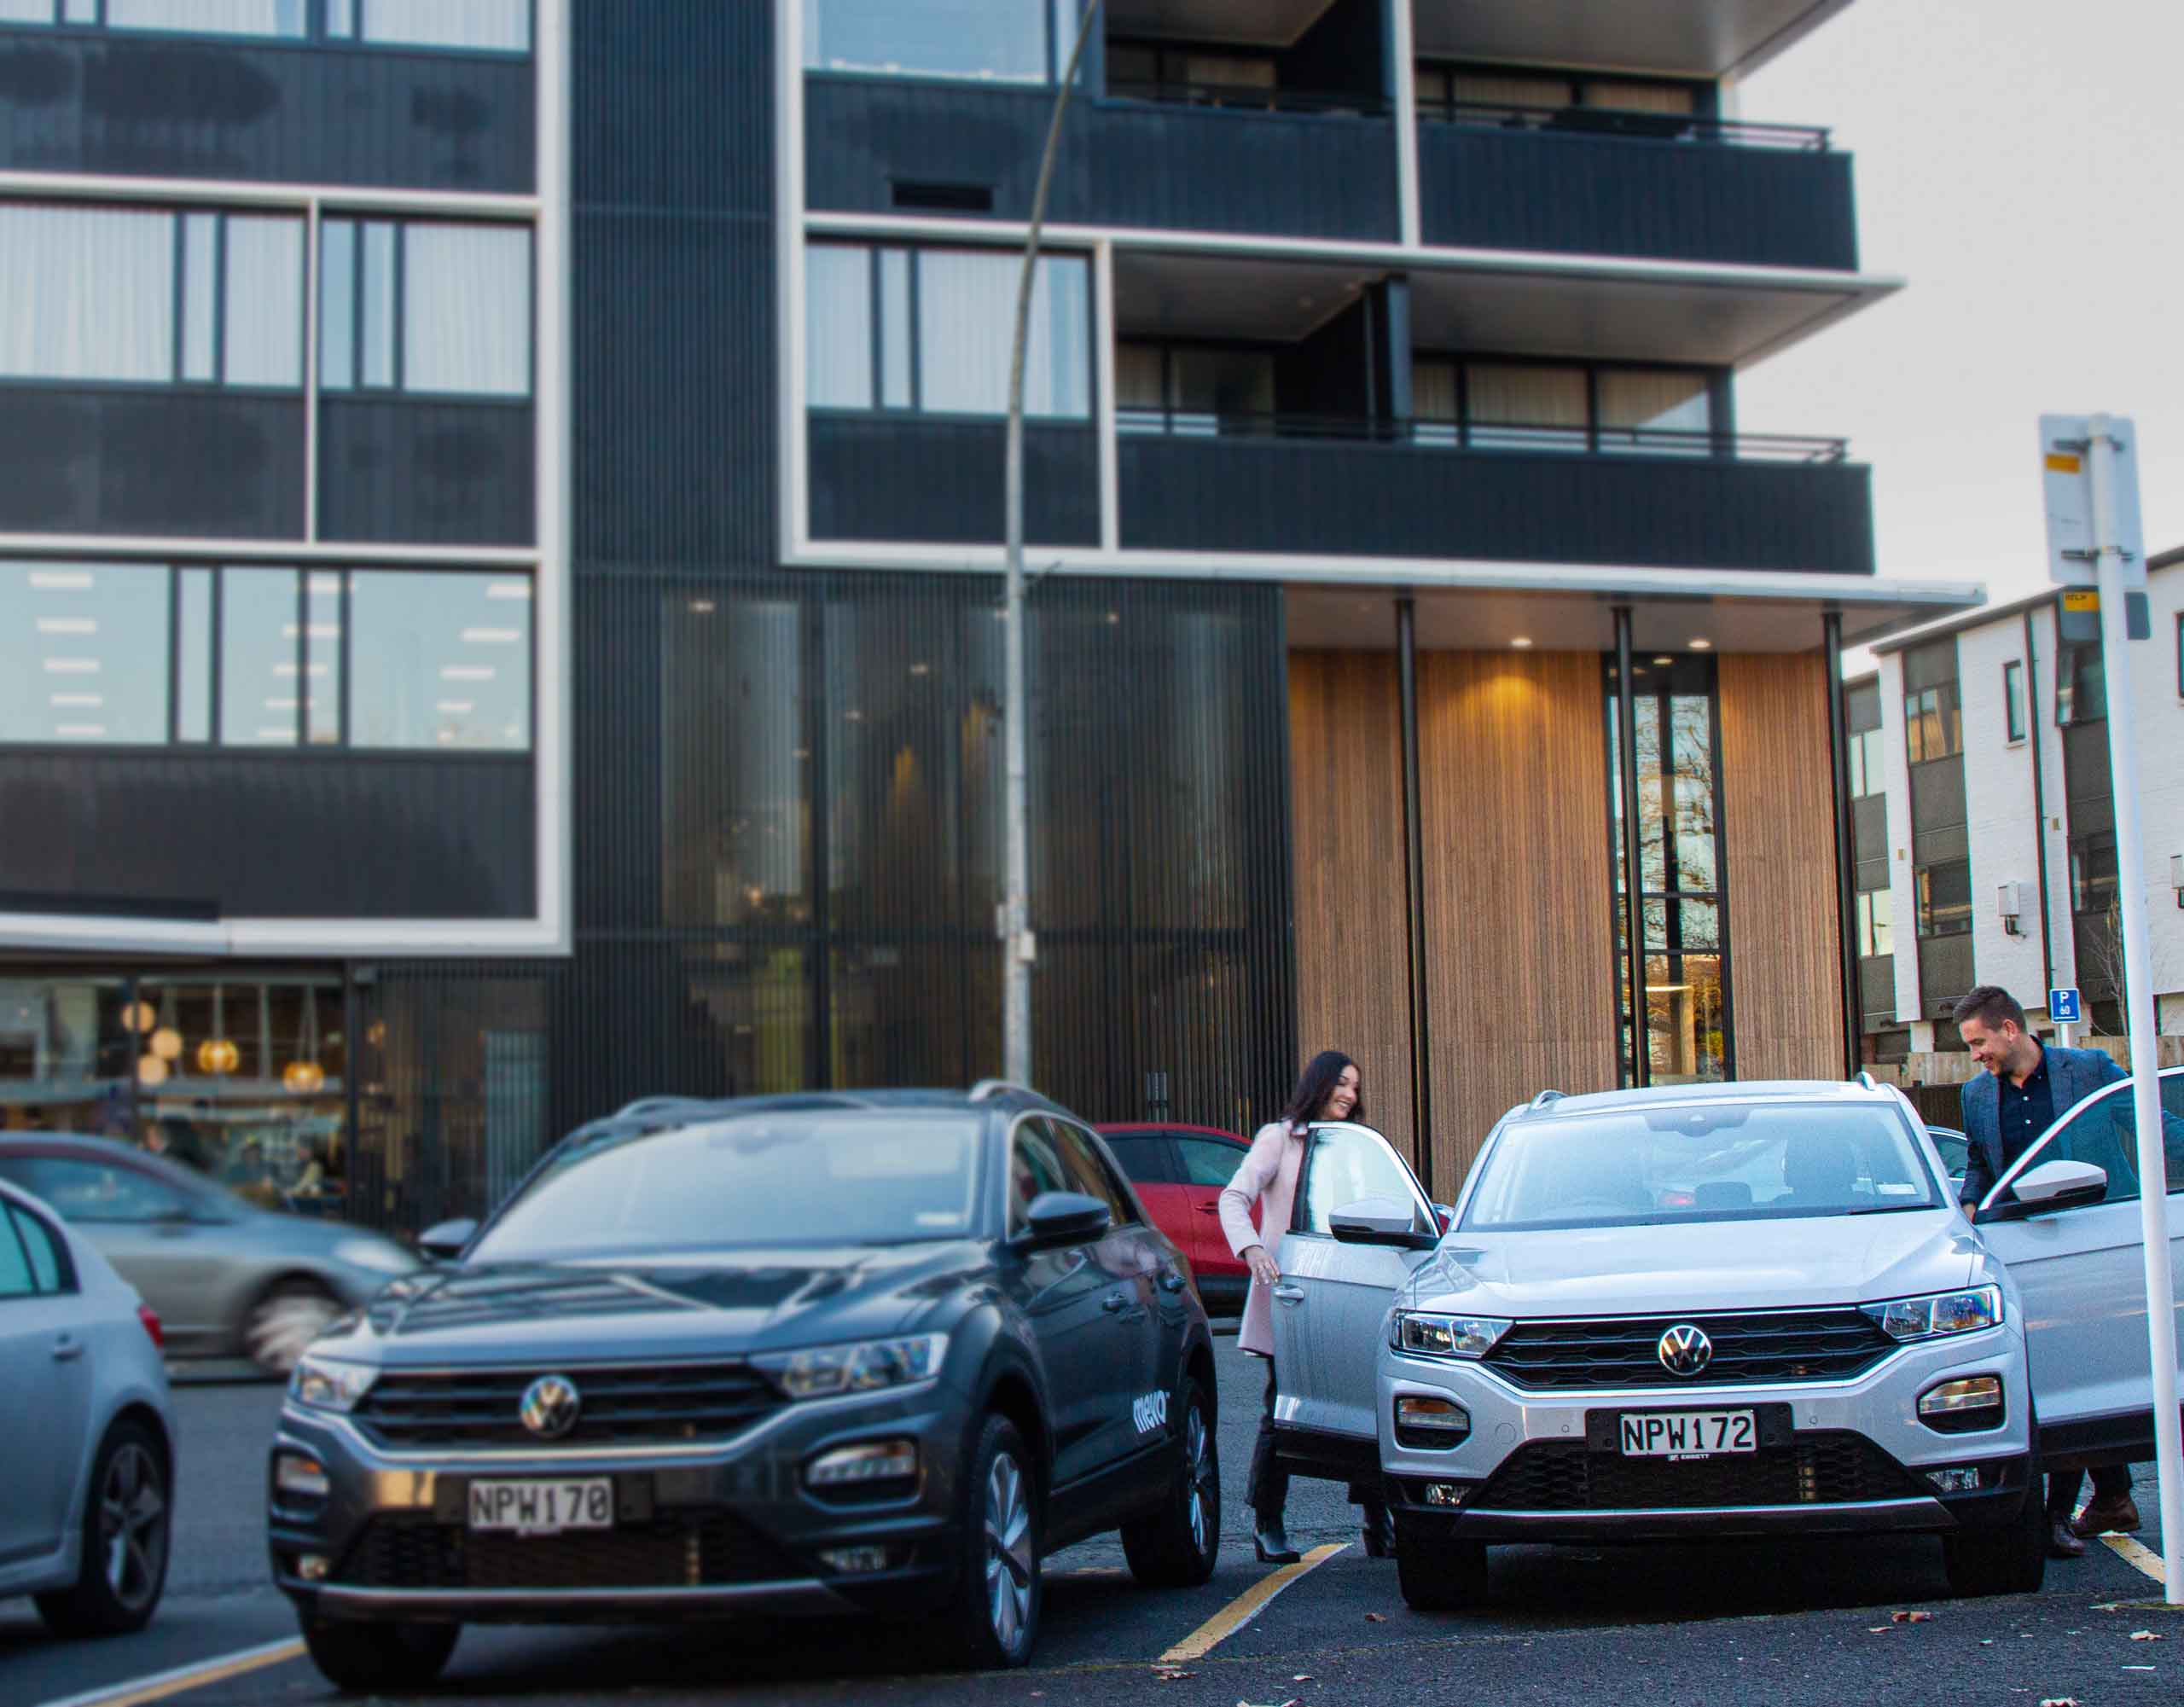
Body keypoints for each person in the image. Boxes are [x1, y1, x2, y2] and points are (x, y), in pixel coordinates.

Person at [1951, 984, 2134, 1559]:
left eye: (1978, 1042)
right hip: (2030, 1247)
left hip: (2102, 1242)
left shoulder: (2089, 1070)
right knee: (2057, 1370)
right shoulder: (1977, 1095)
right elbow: (1980, 1163)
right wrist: (1970, 1206)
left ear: (2010, 1029)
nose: (1975, 1055)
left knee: (2080, 1368)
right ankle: (2113, 1496)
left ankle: (2062, 1514)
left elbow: (2151, 1125)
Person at [1218, 1049, 1392, 1565]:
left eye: (1356, 1087)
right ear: (1320, 1083)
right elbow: (1233, 1197)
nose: (1350, 1095)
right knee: (1282, 1409)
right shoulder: (1280, 1138)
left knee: (1368, 1407)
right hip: (1294, 1294)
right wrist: (1252, 1249)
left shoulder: (1353, 1144)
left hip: (1352, 1291)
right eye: (1342, 1083)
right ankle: (1267, 1521)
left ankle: (1376, 1519)